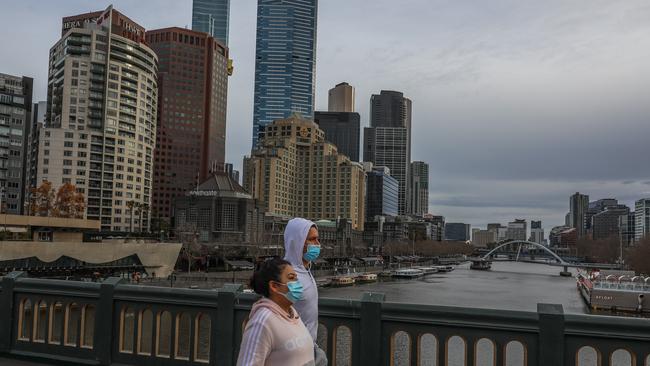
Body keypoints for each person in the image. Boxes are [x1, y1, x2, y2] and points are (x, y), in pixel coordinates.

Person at [237, 257, 314, 366]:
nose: (298, 283)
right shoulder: (262, 321)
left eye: (297, 278)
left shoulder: (293, 313)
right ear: (274, 286)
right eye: (291, 278)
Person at [283, 218, 327, 365]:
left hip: (308, 349)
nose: (318, 244)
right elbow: (277, 312)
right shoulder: (289, 276)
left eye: (318, 239)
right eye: (312, 239)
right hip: (294, 353)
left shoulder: (305, 271)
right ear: (298, 242)